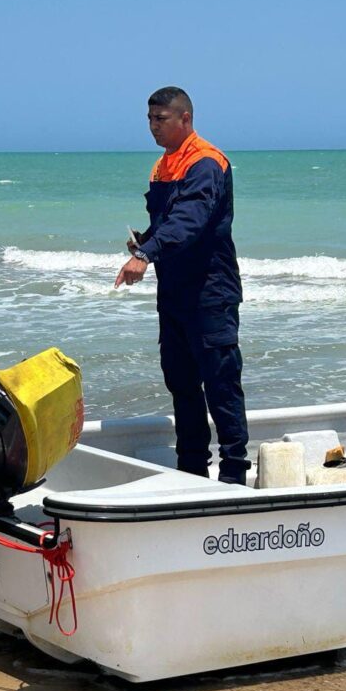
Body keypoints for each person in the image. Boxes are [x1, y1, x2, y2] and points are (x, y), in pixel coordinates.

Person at [114, 86, 250, 485]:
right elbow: (168, 222)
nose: (153, 127)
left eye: (161, 119)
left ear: (185, 119)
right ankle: (191, 468)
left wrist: (146, 254)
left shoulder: (206, 161)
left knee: (221, 382)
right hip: (173, 293)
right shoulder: (162, 166)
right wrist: (146, 239)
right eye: (149, 120)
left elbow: (191, 219)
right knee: (181, 382)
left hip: (210, 291)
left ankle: (234, 474)